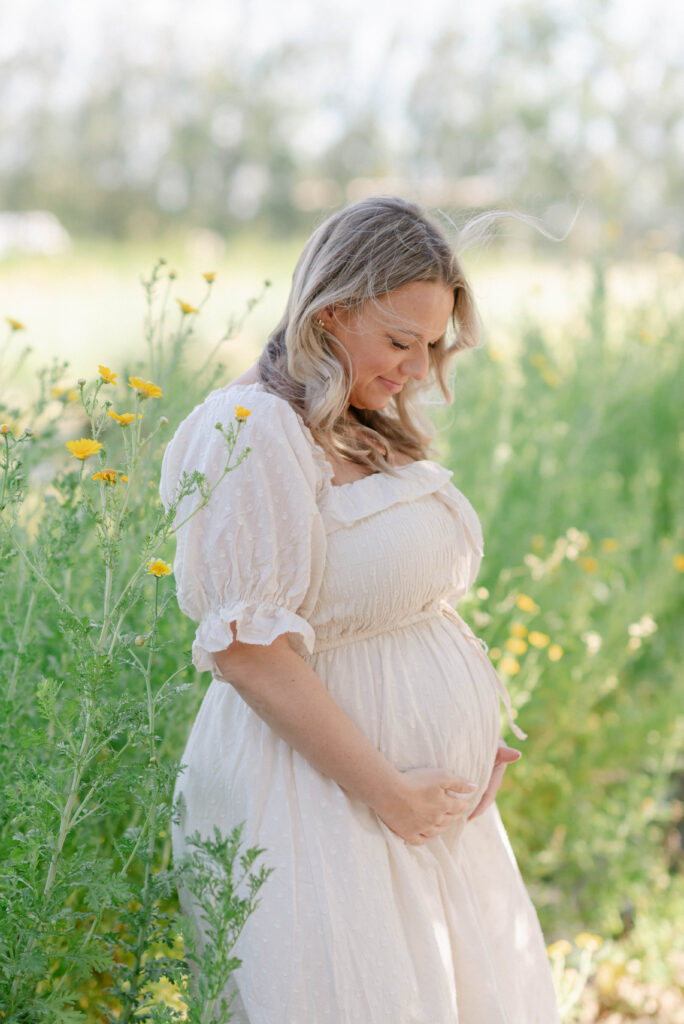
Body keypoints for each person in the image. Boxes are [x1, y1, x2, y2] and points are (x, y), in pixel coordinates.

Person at [160, 196, 562, 1023]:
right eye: (400, 341)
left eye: (433, 345)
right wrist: (390, 789)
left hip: (411, 808)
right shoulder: (249, 428)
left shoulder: (356, 422)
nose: (418, 369)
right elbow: (247, 650)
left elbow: (391, 604)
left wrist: (460, 727)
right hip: (322, 800)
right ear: (330, 313)